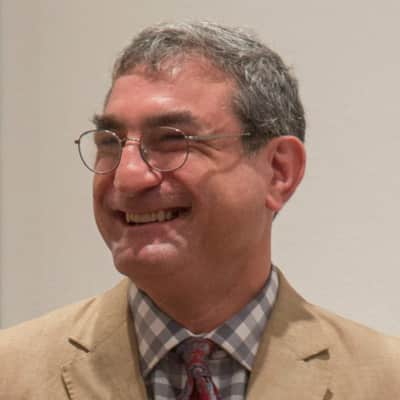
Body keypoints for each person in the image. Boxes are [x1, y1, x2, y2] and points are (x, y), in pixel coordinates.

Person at [0, 21, 399, 400]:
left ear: (279, 172)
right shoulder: (11, 373)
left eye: (171, 140)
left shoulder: (385, 380)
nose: (126, 176)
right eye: (109, 142)